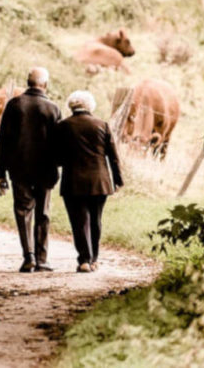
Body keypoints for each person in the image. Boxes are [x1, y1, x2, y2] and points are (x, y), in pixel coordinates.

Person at [0, 67, 61, 273]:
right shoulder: (53, 108)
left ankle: (29, 257)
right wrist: (58, 166)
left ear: (27, 82)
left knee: (23, 211)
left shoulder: (14, 105)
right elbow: (60, 143)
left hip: (19, 168)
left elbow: (3, 142)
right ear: (46, 85)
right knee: (43, 212)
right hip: (46, 169)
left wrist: (1, 173)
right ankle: (42, 260)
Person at [56, 90, 123, 273]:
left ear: (71, 105)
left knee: (79, 221)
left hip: (73, 181)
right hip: (100, 181)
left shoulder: (62, 126)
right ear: (90, 106)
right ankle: (94, 259)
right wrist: (117, 180)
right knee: (96, 220)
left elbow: (56, 157)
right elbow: (113, 157)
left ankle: (84, 259)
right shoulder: (102, 125)